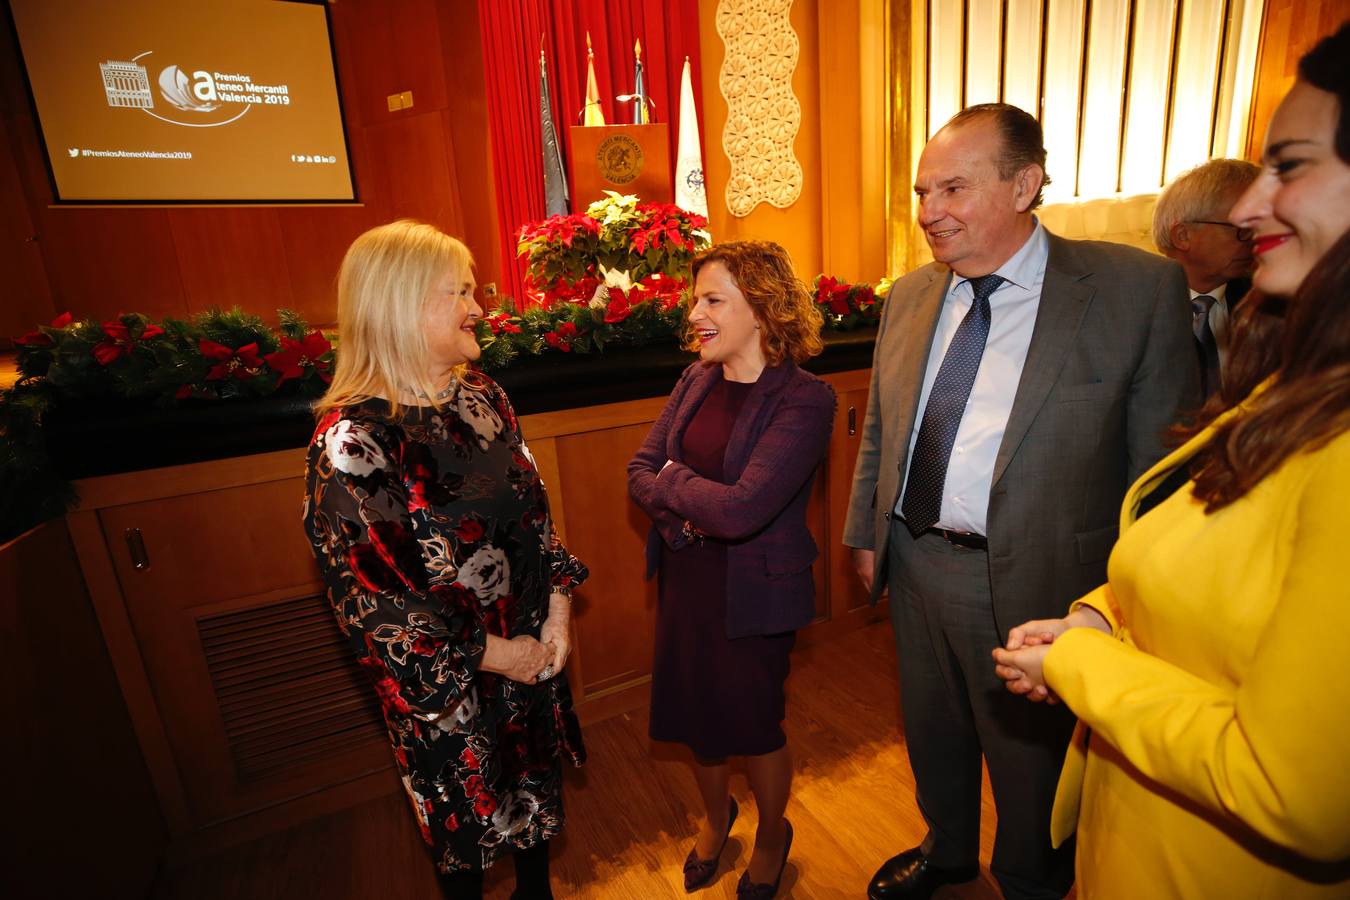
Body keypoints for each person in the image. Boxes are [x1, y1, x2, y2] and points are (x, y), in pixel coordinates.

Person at [993, 24, 1350, 898]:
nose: (1250, 206)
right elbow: (1211, 552)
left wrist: (1080, 667)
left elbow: (1292, 790)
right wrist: (1100, 617)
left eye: (1290, 166)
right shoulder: (1299, 385)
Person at [843, 103, 1197, 900]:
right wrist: (867, 529)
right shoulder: (909, 295)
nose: (929, 211)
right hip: (915, 560)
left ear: (1024, 185)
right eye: (922, 190)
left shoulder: (1133, 291)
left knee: (1031, 758)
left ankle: (1030, 878)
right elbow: (882, 432)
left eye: (954, 189)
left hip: (1047, 580)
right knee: (933, 731)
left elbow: (1161, 477)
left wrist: (1129, 607)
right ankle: (948, 850)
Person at [302, 220, 587, 900]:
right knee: (465, 855)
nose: (478, 308)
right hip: (451, 693)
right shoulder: (353, 441)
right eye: (457, 291)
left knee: (535, 828)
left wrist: (557, 615)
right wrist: (507, 655)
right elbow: (382, 611)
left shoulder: (484, 396)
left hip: (529, 660)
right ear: (401, 305)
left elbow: (536, 514)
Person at [627, 241, 835, 899]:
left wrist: (674, 481)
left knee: (753, 723)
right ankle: (716, 821)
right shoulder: (695, 379)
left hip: (755, 592)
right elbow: (637, 471)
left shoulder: (806, 400)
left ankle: (773, 835)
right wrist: (684, 512)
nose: (695, 314)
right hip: (688, 578)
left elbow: (744, 509)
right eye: (696, 300)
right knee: (697, 717)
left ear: (762, 308)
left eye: (712, 299)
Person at [1152, 157, 1260, 394]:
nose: (1256, 240)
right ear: (1183, 236)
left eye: (1260, 226)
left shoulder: (1266, 306)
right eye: (1243, 229)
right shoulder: (1129, 309)